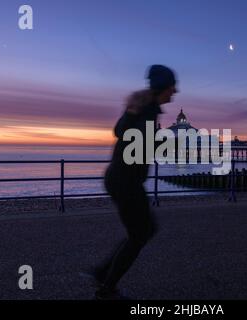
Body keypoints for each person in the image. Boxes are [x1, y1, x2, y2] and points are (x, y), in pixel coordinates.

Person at [92, 65, 178, 299]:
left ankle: (102, 274)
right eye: (172, 87)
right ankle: (106, 288)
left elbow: (119, 131)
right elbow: (140, 144)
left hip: (118, 178)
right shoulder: (148, 110)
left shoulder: (140, 107)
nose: (175, 91)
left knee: (140, 231)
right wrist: (169, 144)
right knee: (141, 233)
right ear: (164, 87)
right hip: (126, 181)